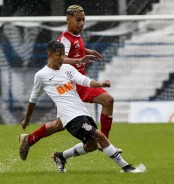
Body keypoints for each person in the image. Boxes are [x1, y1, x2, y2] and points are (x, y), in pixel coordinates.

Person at [21, 40, 146, 173]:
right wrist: (27, 119)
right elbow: (33, 99)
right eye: (59, 55)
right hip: (71, 118)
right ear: (50, 54)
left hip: (82, 113)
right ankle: (127, 168)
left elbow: (84, 80)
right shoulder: (41, 75)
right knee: (100, 137)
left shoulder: (68, 69)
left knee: (91, 146)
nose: (62, 58)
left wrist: (100, 84)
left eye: (63, 54)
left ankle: (60, 156)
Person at [19, 5, 120, 161]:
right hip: (73, 85)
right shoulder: (65, 38)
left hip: (79, 82)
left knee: (59, 125)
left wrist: (87, 50)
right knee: (107, 100)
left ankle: (29, 139)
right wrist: (80, 59)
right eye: (78, 20)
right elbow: (61, 57)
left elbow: (75, 48)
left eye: (83, 20)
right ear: (68, 19)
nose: (81, 23)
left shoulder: (75, 35)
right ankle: (104, 142)